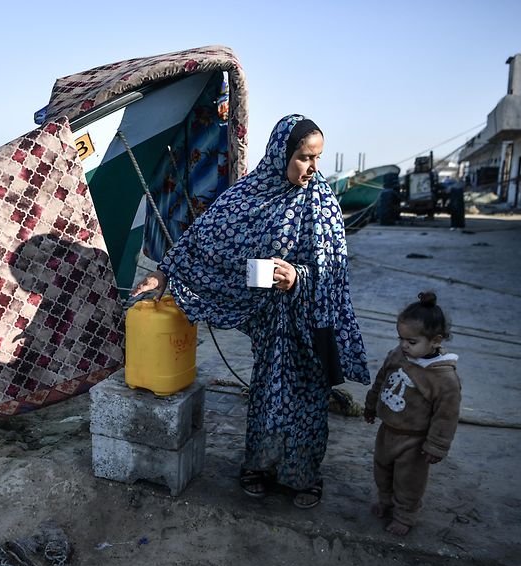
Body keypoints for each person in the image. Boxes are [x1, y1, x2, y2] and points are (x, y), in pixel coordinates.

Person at [131, 114, 370, 508]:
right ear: (281, 154)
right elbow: (205, 239)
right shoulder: (248, 195)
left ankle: (303, 476)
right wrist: (163, 274)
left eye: (317, 159)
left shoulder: (322, 203)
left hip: (308, 323)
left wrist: (299, 276)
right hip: (270, 324)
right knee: (268, 395)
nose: (311, 168)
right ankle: (257, 466)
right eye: (304, 158)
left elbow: (334, 269)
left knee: (307, 401)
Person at [363, 291, 461, 535]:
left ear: (436, 340)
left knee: (408, 481)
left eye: (412, 342)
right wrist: (371, 404)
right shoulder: (398, 355)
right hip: (388, 430)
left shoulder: (444, 378)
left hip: (414, 441)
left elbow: (446, 416)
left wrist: (436, 445)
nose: (404, 345)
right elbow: (381, 380)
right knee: (382, 469)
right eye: (401, 339)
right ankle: (386, 502)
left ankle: (405, 516)